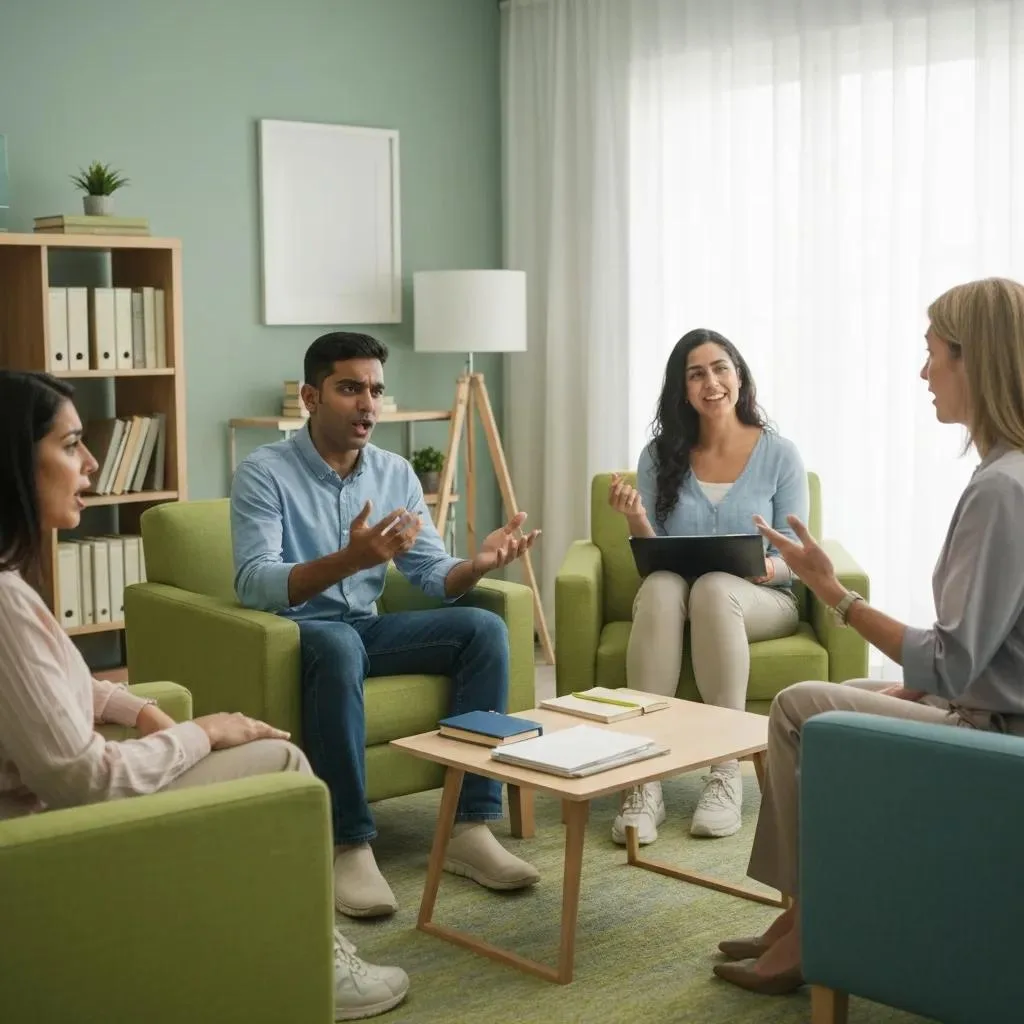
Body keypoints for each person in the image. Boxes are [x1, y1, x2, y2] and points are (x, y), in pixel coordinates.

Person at [0, 370, 409, 1022]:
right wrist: (200, 733)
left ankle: (283, 944)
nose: (92, 460)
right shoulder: (5, 605)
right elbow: (85, 778)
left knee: (470, 629)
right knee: (279, 765)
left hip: (54, 812)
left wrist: (140, 710)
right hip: (46, 840)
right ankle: (309, 963)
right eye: (71, 443)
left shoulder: (10, 587)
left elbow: (53, 690)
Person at [714, 277, 1024, 995]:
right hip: (995, 708)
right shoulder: (1006, 476)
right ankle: (797, 914)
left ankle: (813, 922)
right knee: (852, 691)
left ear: (974, 360)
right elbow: (991, 645)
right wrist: (919, 681)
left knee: (796, 706)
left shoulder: (1002, 490)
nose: (923, 373)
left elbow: (954, 659)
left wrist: (833, 593)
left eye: (932, 354)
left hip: (1000, 737)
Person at [230, 331, 542, 920]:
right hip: (296, 635)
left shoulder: (394, 472)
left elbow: (429, 572)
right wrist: (350, 560)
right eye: (350, 388)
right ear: (310, 397)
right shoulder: (263, 472)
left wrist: (474, 565)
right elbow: (253, 580)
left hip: (365, 632)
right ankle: (348, 843)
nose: (367, 403)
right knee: (337, 641)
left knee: (482, 630)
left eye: (375, 389)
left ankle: (468, 827)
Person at [606, 328, 808, 844]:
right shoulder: (659, 455)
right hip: (678, 595)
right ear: (682, 389)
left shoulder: (780, 455)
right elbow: (653, 558)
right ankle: (641, 775)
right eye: (696, 373)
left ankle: (724, 771)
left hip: (763, 596)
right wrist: (635, 519)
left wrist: (768, 568)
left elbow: (794, 553)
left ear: (739, 376)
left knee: (715, 587)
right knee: (662, 588)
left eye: (720, 368)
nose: (710, 382)